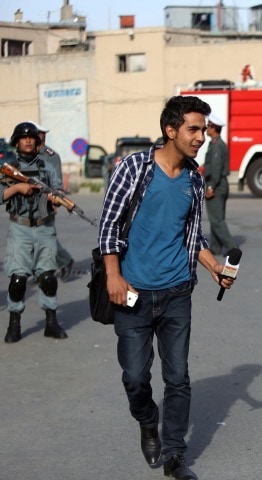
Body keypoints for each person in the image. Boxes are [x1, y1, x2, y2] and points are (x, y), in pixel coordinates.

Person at [98, 96, 234, 480]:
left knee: (178, 378)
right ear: (170, 130)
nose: (201, 137)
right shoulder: (134, 168)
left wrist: (213, 267)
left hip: (177, 292)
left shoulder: (194, 176)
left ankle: (175, 453)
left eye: (204, 129)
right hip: (133, 293)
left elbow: (194, 236)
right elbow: (109, 225)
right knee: (136, 377)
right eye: (193, 129)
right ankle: (147, 420)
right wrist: (112, 274)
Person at [0, 122, 69, 343]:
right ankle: (14, 323)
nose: (28, 141)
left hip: (44, 227)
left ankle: (51, 322)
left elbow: (57, 188)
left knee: (48, 277)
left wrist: (57, 197)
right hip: (20, 228)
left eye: (32, 138)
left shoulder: (47, 164)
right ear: (17, 141)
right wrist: (17, 188)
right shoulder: (8, 165)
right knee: (18, 279)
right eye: (23, 137)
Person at [29, 121, 75, 280]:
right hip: (28, 201)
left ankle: (64, 261)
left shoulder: (51, 155)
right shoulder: (27, 153)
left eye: (39, 134)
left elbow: (57, 180)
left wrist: (57, 199)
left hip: (45, 201)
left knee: (45, 236)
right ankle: (39, 271)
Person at [203, 112, 236, 255]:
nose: (206, 129)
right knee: (216, 217)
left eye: (208, 127)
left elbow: (216, 168)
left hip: (216, 184)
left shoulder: (216, 146)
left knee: (216, 220)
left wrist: (211, 186)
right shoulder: (217, 144)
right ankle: (216, 247)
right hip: (220, 183)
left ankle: (231, 247)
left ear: (214, 128)